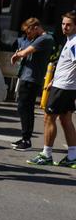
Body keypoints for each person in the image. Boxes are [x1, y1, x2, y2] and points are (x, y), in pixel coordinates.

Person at [27, 11, 76, 167]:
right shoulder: (70, 40)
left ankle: (46, 154)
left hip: (64, 87)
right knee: (65, 119)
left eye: (68, 24)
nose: (65, 27)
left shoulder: (74, 43)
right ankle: (73, 156)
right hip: (62, 84)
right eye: (63, 24)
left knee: (49, 117)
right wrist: (53, 80)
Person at [10, 18, 55, 150]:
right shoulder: (36, 39)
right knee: (23, 108)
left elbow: (24, 52)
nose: (27, 35)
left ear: (36, 27)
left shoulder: (45, 39)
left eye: (29, 32)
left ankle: (27, 139)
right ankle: (25, 137)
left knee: (26, 109)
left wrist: (18, 54)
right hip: (27, 77)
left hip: (32, 79)